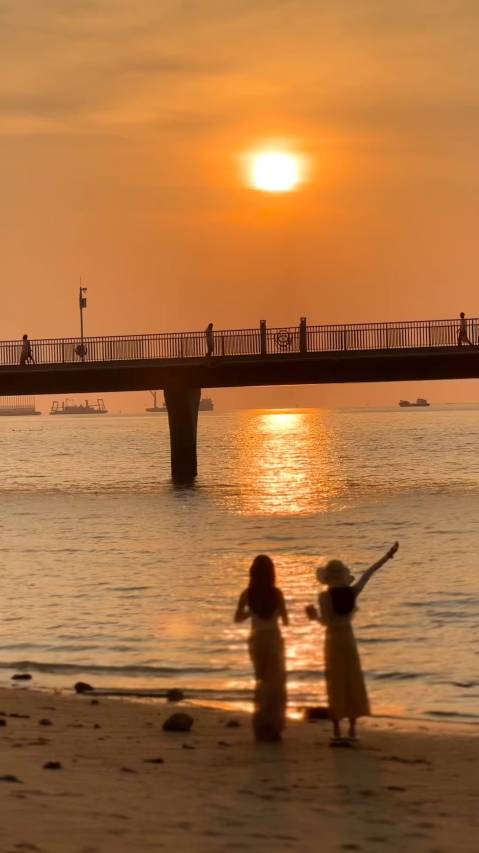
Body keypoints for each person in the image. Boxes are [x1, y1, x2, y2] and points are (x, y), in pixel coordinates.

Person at [306, 542, 399, 746]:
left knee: (335, 683)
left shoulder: (323, 597)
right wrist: (387, 555)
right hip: (348, 639)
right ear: (343, 577)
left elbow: (325, 622)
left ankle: (337, 732)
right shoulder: (352, 593)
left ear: (328, 579)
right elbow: (369, 573)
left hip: (332, 640)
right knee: (352, 681)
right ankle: (353, 731)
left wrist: (313, 618)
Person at [234, 554, 289, 742]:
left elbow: (237, 618)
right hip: (273, 638)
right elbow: (286, 620)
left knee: (261, 681)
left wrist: (251, 612)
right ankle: (273, 725)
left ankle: (260, 725)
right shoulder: (277, 593)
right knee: (276, 684)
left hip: (256, 640)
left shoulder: (247, 594)